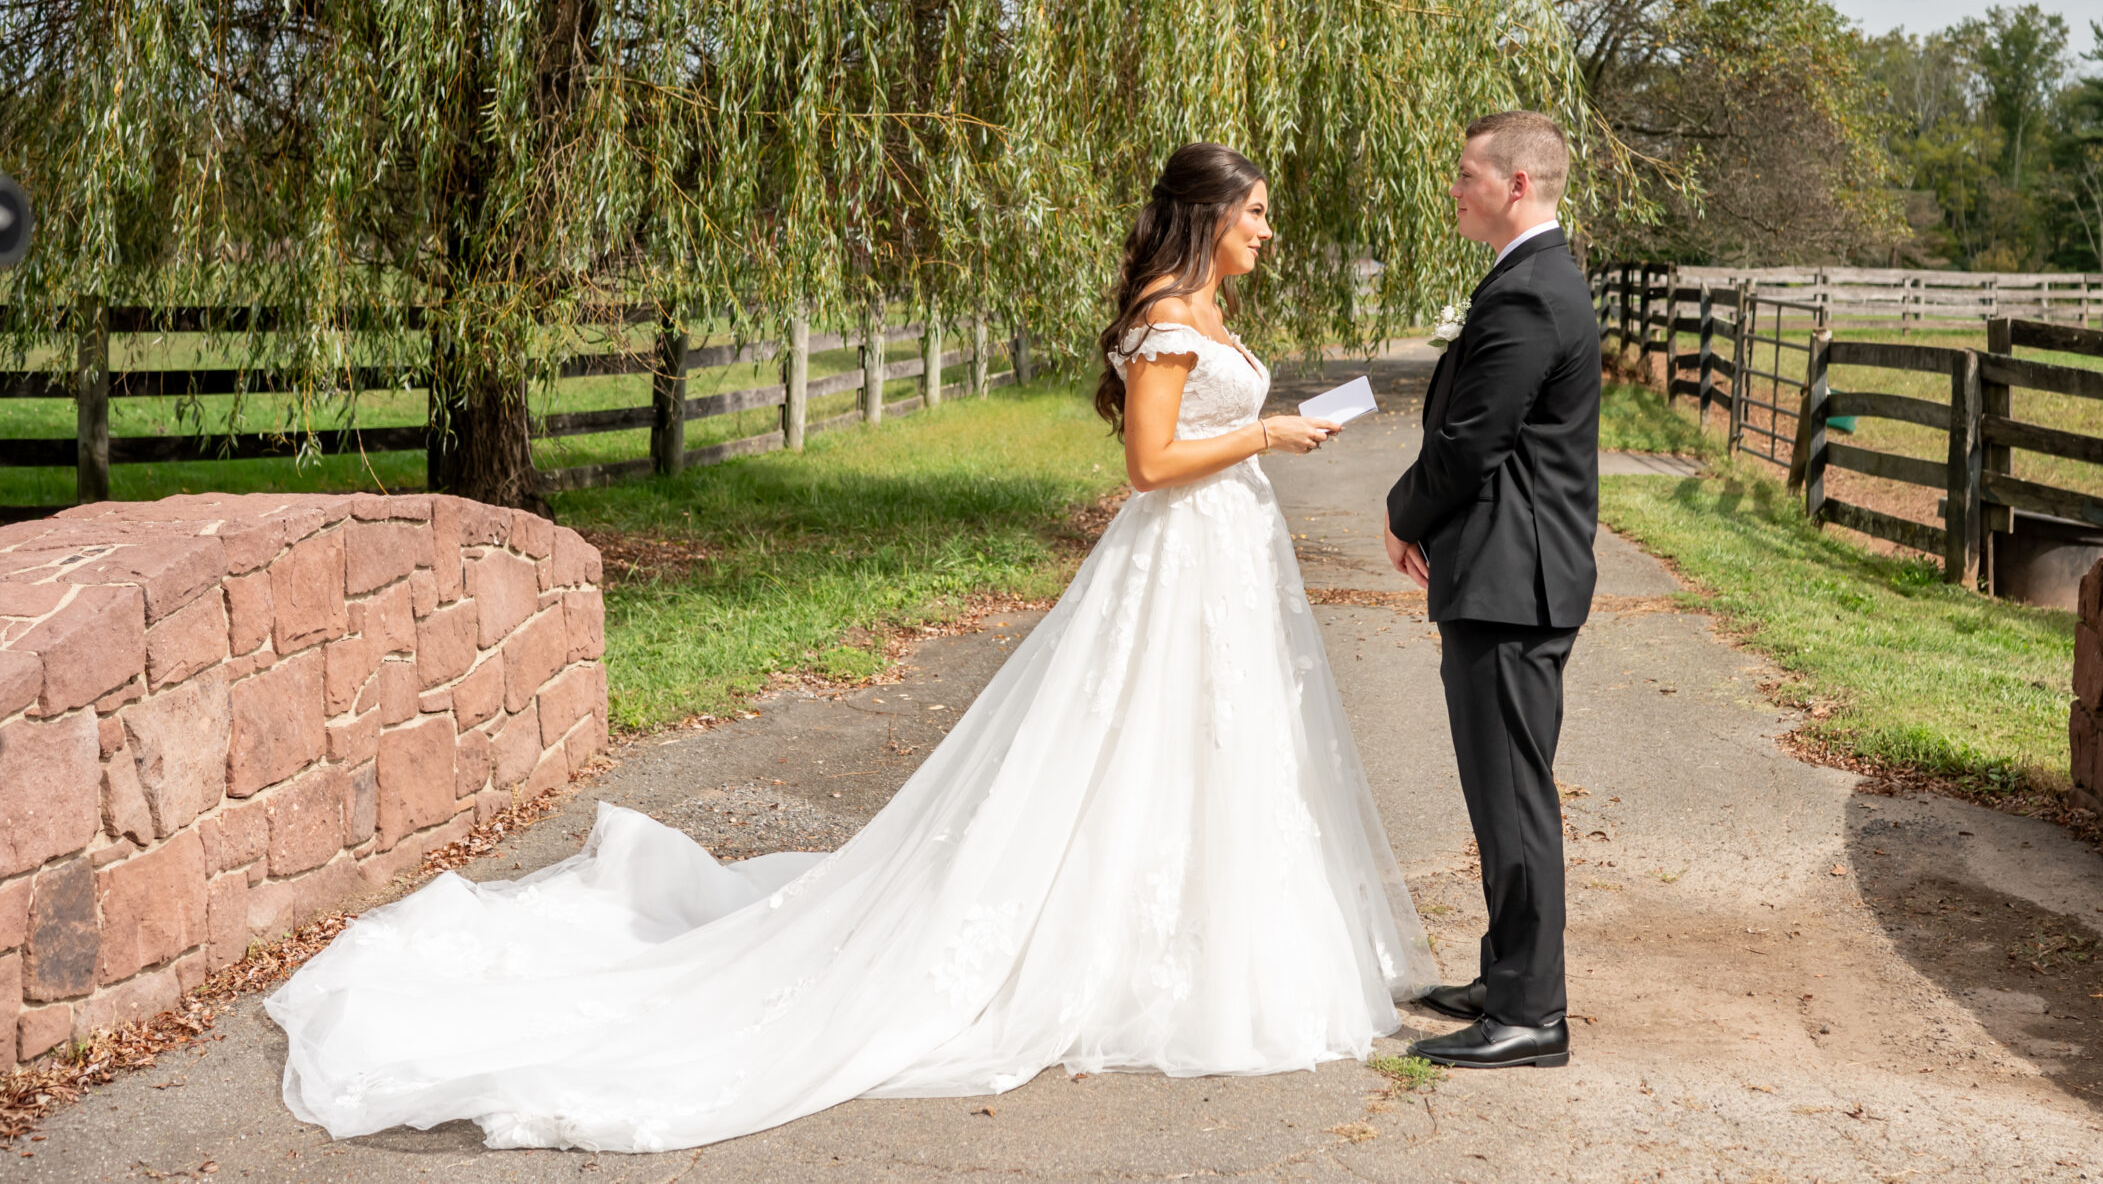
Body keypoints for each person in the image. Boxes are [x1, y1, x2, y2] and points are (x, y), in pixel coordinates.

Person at [265, 143, 1431, 1153]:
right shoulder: (1166, 323)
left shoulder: (1209, 313)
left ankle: (1201, 941)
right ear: (1209, 215)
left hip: (1226, 556)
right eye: (1258, 211)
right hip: (1177, 552)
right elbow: (1147, 465)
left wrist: (1268, 438)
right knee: (1130, 741)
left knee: (1212, 752)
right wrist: (1269, 433)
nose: (1269, 230)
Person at [1382, 111, 1600, 1071]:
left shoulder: (1529, 294)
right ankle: (1505, 974)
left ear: (1516, 184)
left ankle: (1530, 1014)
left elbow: (1473, 442)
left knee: (1513, 796)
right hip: (1511, 577)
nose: (1454, 187)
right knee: (1500, 789)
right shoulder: (1534, 277)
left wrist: (1402, 512)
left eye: (1466, 173)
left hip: (1514, 583)